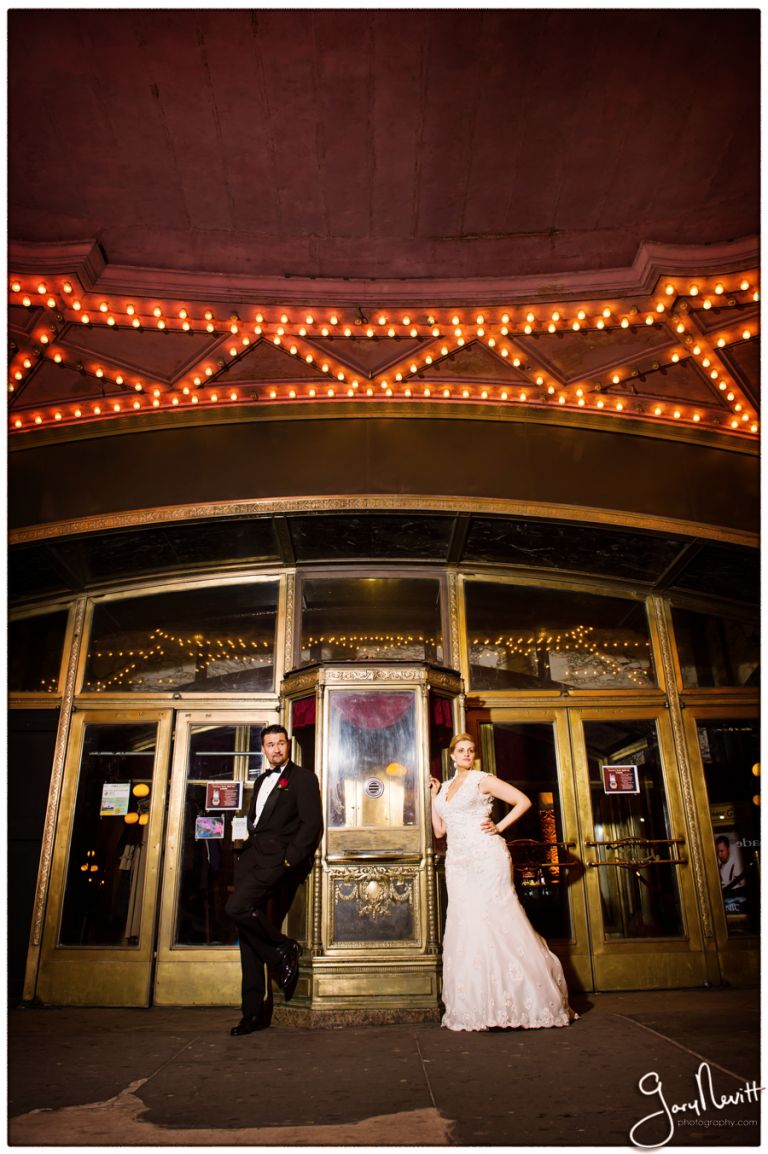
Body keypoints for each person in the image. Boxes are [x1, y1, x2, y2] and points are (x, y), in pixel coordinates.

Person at [430, 733, 576, 1031]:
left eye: (471, 750)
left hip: (487, 858)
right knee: (467, 924)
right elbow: (440, 831)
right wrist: (433, 798)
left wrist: (499, 826)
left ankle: (521, 1001)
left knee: (496, 919)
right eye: (461, 750)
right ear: (452, 755)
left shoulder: (482, 779)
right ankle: (478, 1005)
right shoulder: (445, 788)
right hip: (458, 864)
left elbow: (522, 801)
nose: (467, 754)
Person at [225, 724, 323, 1036]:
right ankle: (252, 1014)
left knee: (236, 908)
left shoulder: (303, 778)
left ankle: (283, 948)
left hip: (275, 863)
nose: (276, 749)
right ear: (264, 749)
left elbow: (311, 825)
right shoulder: (261, 778)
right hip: (250, 860)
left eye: (281, 743)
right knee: (248, 937)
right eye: (270, 744)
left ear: (288, 746)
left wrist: (289, 859)